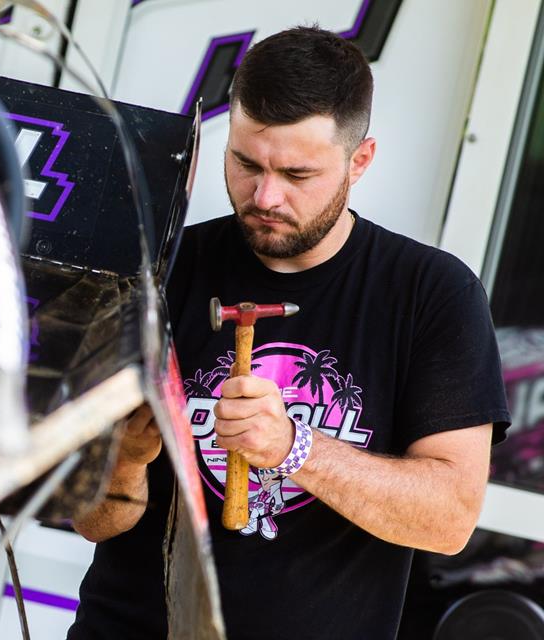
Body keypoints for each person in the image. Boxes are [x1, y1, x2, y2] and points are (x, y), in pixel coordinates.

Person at [66, 26, 510, 640]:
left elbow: (449, 519)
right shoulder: (163, 271)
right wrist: (126, 463)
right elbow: (94, 522)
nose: (265, 196)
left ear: (360, 160)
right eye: (246, 163)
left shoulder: (431, 294)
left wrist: (295, 449)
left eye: (297, 174)